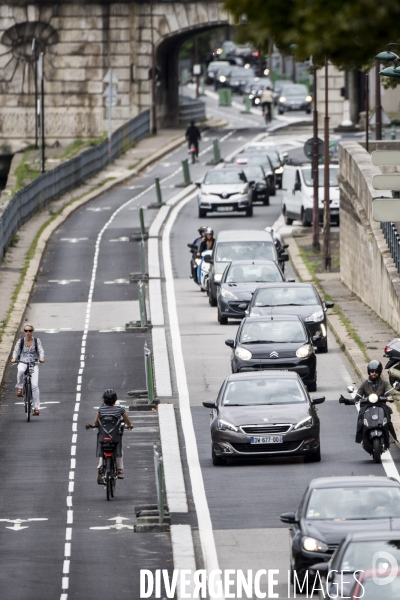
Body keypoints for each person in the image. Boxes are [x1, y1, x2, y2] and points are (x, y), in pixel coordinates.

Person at [340, 360, 397, 443]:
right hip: (367, 406)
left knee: (388, 416)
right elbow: (357, 398)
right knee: (361, 417)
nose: (374, 373)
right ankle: (360, 437)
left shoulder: (384, 383)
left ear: (379, 372)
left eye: (376, 372)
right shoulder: (364, 384)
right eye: (372, 371)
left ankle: (390, 436)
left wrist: (389, 397)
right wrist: (346, 401)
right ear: (369, 372)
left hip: (381, 405)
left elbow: (388, 392)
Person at [91, 389, 133, 482]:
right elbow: (127, 420)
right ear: (115, 399)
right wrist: (129, 426)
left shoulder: (101, 409)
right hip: (115, 437)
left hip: (104, 436)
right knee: (118, 449)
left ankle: (101, 467)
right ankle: (119, 470)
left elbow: (95, 422)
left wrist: (95, 425)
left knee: (103, 449)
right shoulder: (120, 409)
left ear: (104, 400)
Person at [11, 323, 44, 416]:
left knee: (34, 386)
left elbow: (41, 351)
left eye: (30, 330)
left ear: (32, 331)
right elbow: (16, 351)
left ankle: (36, 407)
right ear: (24, 332)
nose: (28, 332)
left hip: (34, 363)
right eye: (26, 331)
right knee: (21, 370)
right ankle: (20, 387)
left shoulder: (37, 341)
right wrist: (14, 358)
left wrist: (41, 358)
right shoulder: (20, 341)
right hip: (22, 361)